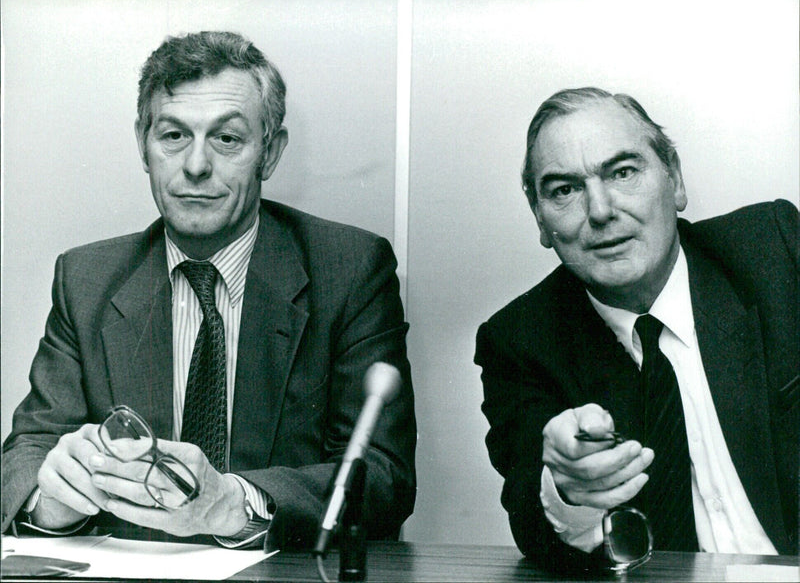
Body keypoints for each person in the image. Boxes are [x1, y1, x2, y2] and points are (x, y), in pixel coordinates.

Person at [1, 31, 416, 551]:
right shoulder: (86, 278)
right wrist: (54, 497)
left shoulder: (349, 269)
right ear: (142, 146)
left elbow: (382, 474)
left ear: (270, 152)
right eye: (174, 136)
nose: (196, 166)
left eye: (227, 139)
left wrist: (235, 503)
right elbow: (25, 455)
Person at [475, 87, 798, 571]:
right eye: (564, 190)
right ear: (539, 217)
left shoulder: (776, 252)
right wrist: (567, 487)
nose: (601, 210)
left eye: (623, 172)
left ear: (675, 179)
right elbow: (536, 525)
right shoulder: (521, 340)